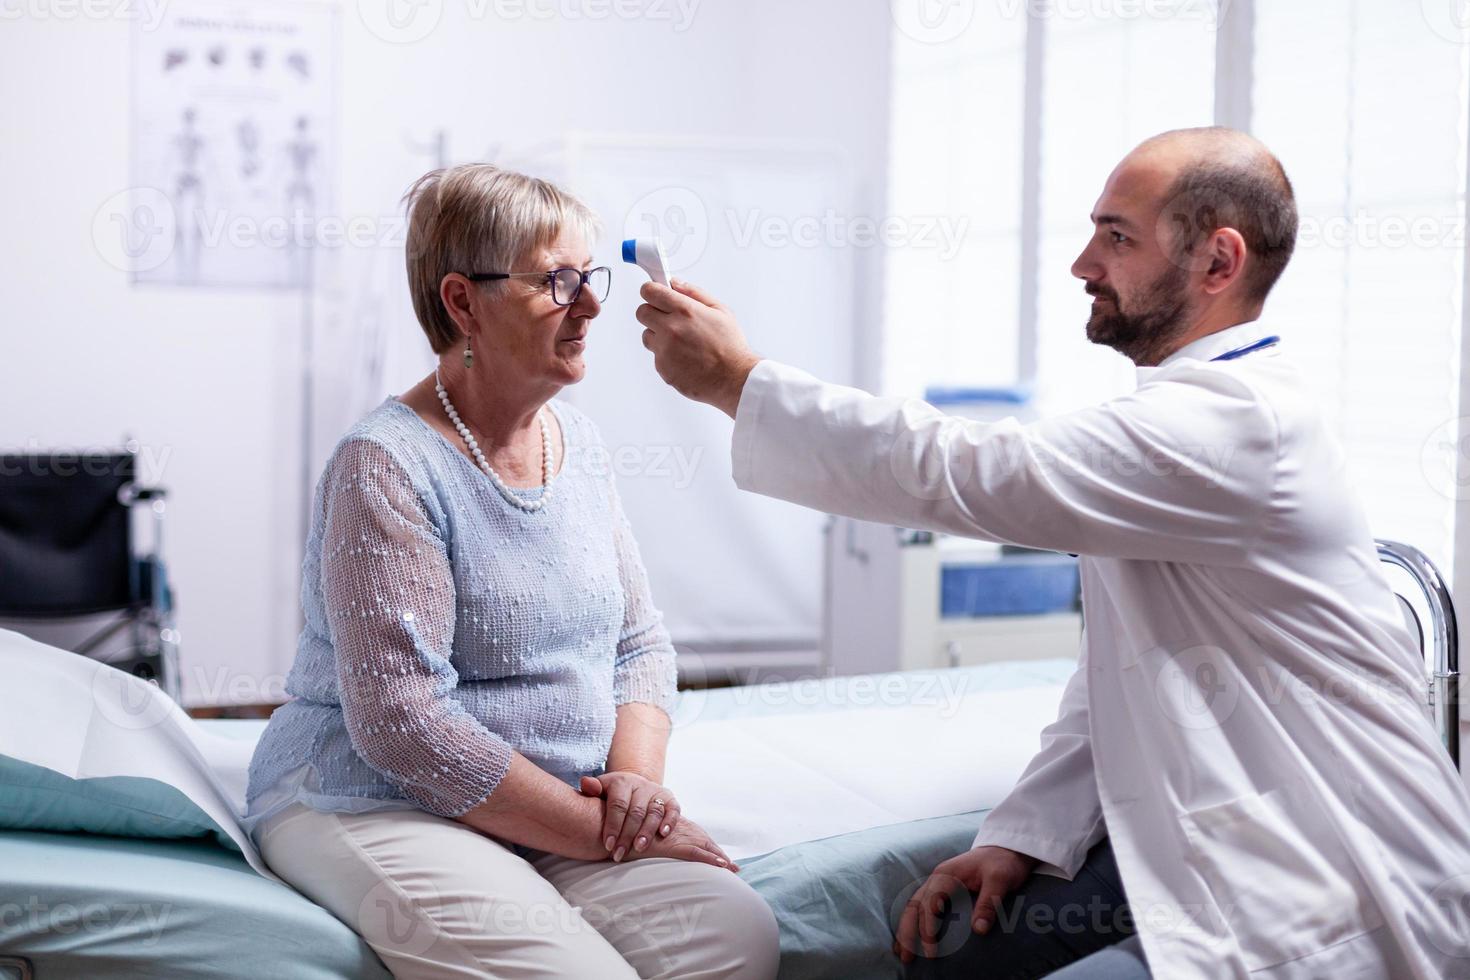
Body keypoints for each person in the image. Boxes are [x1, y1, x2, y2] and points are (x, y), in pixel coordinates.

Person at [634, 127, 1470, 978]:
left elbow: (973, 470)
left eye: (1117, 236)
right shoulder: (1188, 416)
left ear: (1219, 262)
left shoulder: (1235, 424)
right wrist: (1021, 835)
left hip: (1334, 880)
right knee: (951, 957)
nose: (1082, 262)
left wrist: (739, 381)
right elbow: (1122, 674)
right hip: (1216, 850)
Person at [244, 164, 779, 980]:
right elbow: (402, 724)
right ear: (463, 302)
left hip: (557, 807)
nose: (594, 304)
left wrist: (633, 790)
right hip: (375, 799)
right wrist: (600, 831)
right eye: (558, 281)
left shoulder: (581, 446)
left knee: (733, 932)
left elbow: (640, 646)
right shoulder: (385, 465)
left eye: (589, 276)